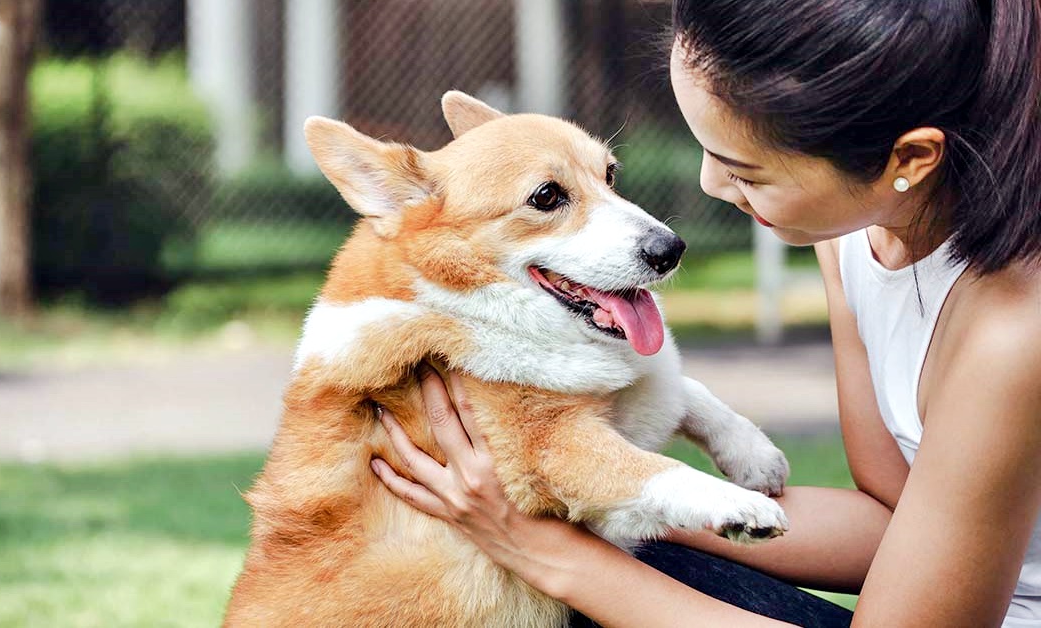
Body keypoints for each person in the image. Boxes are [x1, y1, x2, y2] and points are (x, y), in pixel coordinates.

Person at [368, 0, 1041, 625]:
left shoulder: (1014, 331)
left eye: (745, 171)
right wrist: (588, 491)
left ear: (910, 160)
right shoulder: (857, 242)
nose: (709, 186)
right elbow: (888, 519)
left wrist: (540, 548)